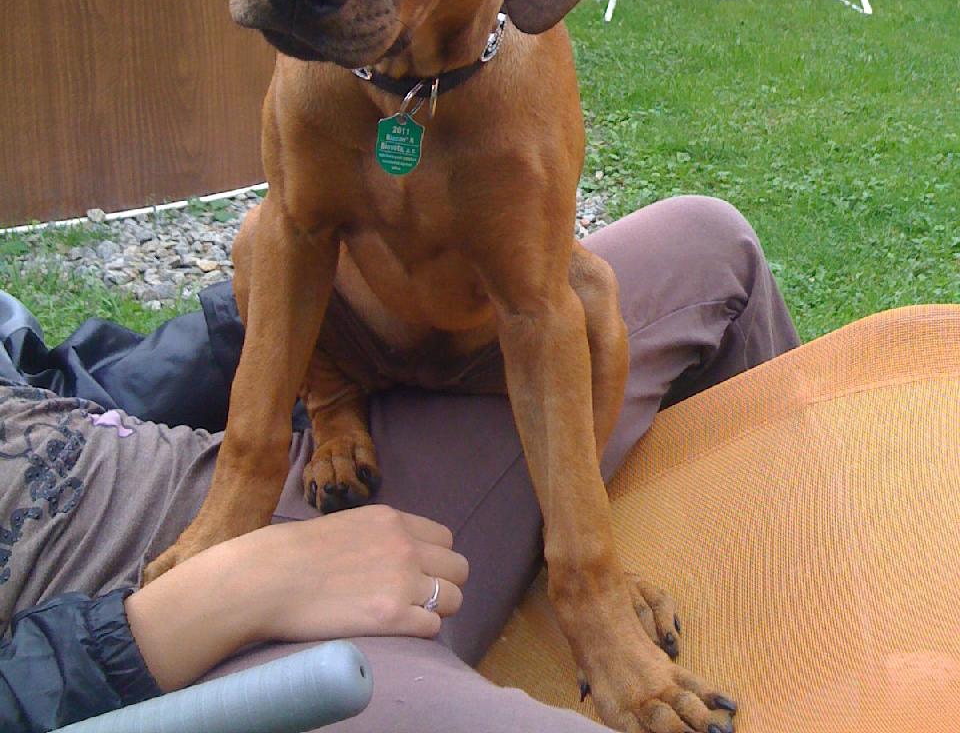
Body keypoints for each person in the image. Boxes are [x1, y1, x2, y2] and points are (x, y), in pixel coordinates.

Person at [0, 197, 799, 732]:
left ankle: (814, 603)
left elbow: (68, 376)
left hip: (312, 473)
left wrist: (340, 328)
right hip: (212, 641)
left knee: (708, 241)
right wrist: (220, 593)